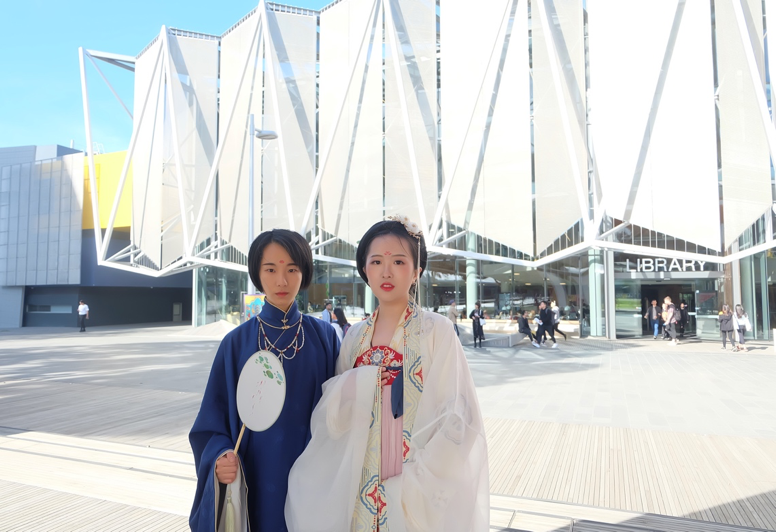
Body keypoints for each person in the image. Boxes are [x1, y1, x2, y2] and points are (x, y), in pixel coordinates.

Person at [285, 216, 489, 532]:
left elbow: (460, 415)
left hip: (414, 487)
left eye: (398, 261)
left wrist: (418, 479)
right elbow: (335, 420)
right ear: (364, 269)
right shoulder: (354, 337)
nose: (387, 271)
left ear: (417, 270)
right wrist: (353, 388)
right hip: (360, 482)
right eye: (376, 261)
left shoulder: (437, 331)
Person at [189, 229, 340, 531]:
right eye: (270, 269)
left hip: (315, 481)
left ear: (304, 273)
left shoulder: (325, 338)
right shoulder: (235, 344)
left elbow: (342, 411)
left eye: (292, 269)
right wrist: (219, 457)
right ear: (257, 274)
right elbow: (210, 423)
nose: (281, 281)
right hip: (255, 483)